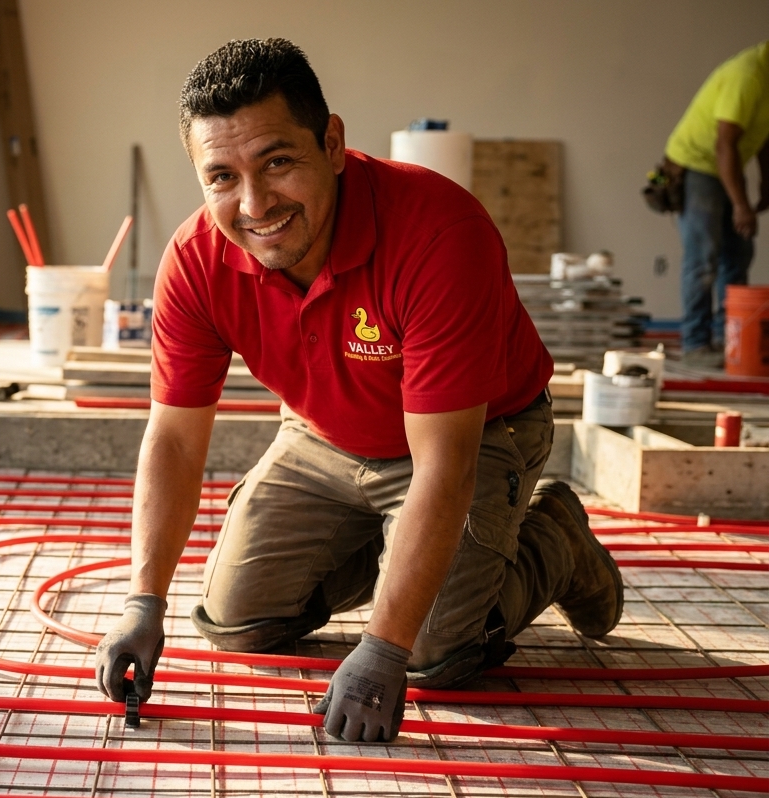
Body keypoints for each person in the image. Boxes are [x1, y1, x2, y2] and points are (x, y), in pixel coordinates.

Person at [93, 38, 624, 744]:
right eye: (222, 176)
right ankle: (397, 553)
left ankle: (553, 537)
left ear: (334, 143)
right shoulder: (196, 260)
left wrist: (382, 648)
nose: (254, 204)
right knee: (237, 623)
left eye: (278, 161)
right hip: (324, 435)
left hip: (475, 433)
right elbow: (174, 438)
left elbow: (444, 464)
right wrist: (143, 600)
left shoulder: (439, 234)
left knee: (434, 654)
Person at [664, 41, 769, 369]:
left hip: (727, 164)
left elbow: (764, 137)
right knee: (703, 257)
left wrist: (767, 180)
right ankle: (695, 344)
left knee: (738, 254)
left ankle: (732, 342)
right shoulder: (748, 75)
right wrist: (741, 205)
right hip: (698, 165)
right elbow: (725, 144)